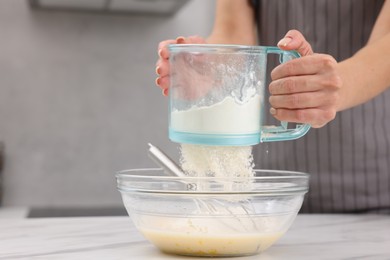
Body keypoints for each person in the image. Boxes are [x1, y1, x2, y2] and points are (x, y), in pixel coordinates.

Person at [155, 0, 390, 213]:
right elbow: (233, 30)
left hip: (371, 187)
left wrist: (342, 83)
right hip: (272, 192)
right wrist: (211, 66)